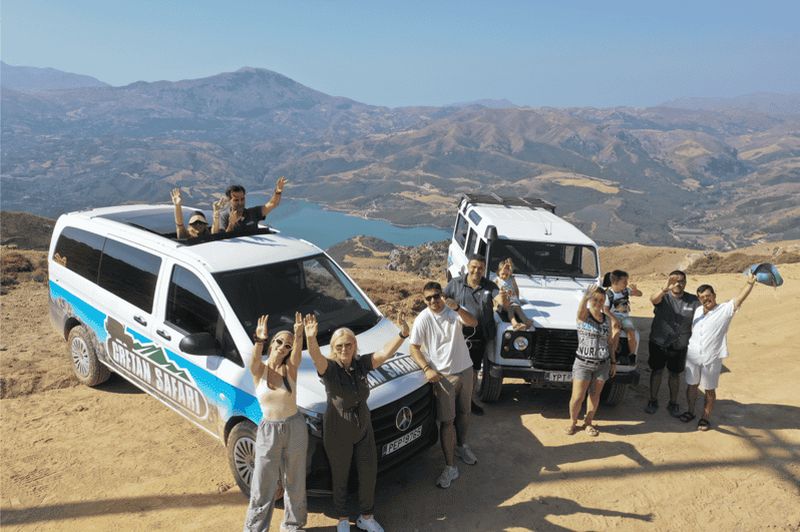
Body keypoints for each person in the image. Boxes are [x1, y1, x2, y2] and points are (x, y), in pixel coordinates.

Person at [303, 311, 410, 532]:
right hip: (337, 430)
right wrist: (311, 338)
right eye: (340, 346)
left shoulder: (360, 364)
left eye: (348, 345)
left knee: (368, 472)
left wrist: (402, 334)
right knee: (340, 475)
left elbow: (383, 355)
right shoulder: (329, 369)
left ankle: (366, 516)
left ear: (355, 346)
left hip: (363, 427)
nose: (344, 349)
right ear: (334, 348)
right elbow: (316, 358)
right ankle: (342, 518)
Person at [409, 281, 479, 489]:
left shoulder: (452, 311)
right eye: (428, 298)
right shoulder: (423, 319)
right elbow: (414, 347)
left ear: (442, 295)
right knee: (447, 421)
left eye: (436, 296)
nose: (433, 301)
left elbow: (473, 323)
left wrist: (456, 307)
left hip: (465, 369)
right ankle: (450, 467)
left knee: (465, 412)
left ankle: (462, 446)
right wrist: (426, 368)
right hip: (443, 377)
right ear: (424, 300)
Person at [243, 313, 307, 532]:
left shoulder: (290, 369)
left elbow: (297, 355)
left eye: (287, 345)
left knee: (295, 481)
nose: (283, 347)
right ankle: (256, 528)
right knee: (263, 485)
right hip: (268, 429)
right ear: (272, 344)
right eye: (279, 342)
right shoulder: (259, 369)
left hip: (294, 427)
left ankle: (293, 525)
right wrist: (259, 340)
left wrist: (298, 335)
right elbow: (253, 361)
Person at [679, 272, 758, 431]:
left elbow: (739, 299)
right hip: (693, 355)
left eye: (708, 295)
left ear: (714, 295)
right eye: (701, 297)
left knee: (709, 389)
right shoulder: (698, 311)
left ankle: (705, 418)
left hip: (712, 357)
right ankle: (690, 411)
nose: (705, 299)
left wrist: (749, 284)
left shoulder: (724, 310)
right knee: (692, 386)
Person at [444, 254, 503, 415]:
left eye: (480, 268)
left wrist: (505, 298)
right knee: (454, 369)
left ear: (484, 270)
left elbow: (500, 299)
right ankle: (452, 402)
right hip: (458, 335)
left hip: (480, 336)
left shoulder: (489, 286)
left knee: (474, 370)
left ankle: (468, 402)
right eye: (474, 267)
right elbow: (443, 299)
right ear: (468, 266)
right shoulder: (455, 284)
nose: (477, 270)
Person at [566, 284, 619, 437]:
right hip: (583, 363)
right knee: (577, 397)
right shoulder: (584, 316)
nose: (598, 303)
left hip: (602, 364)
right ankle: (572, 422)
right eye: (595, 299)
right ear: (590, 300)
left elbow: (609, 342)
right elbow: (580, 311)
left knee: (594, 396)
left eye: (601, 300)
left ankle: (588, 423)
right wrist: (585, 296)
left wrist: (613, 362)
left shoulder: (607, 320)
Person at [645, 270, 700, 416]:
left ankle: (673, 403)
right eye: (675, 281)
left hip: (680, 344)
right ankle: (652, 400)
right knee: (656, 371)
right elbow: (653, 299)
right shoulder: (664, 297)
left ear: (685, 282)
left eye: (681, 281)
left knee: (675, 374)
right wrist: (665, 288)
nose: (678, 284)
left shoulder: (693, 300)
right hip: (659, 342)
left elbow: (705, 314)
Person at [219, 177, 287, 233]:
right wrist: (231, 224)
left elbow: (273, 204)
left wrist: (278, 191)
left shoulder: (253, 213)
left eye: (242, 199)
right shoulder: (224, 216)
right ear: (229, 200)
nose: (240, 203)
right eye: (236, 200)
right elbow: (223, 239)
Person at [603, 270, 642, 356]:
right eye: (624, 281)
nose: (626, 283)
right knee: (616, 331)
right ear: (615, 282)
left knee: (631, 332)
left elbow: (640, 294)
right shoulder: (608, 294)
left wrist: (635, 290)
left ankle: (632, 354)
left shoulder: (626, 291)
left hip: (625, 317)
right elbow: (605, 310)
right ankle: (613, 354)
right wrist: (614, 319)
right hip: (613, 316)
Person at [490, 258, 533, 331]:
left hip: (513, 299)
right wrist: (494, 304)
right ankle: (515, 324)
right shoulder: (497, 280)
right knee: (510, 310)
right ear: (498, 272)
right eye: (502, 274)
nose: (504, 276)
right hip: (504, 302)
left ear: (509, 273)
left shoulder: (511, 279)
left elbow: (516, 289)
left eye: (506, 274)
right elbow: (493, 292)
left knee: (519, 309)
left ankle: (526, 321)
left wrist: (518, 299)